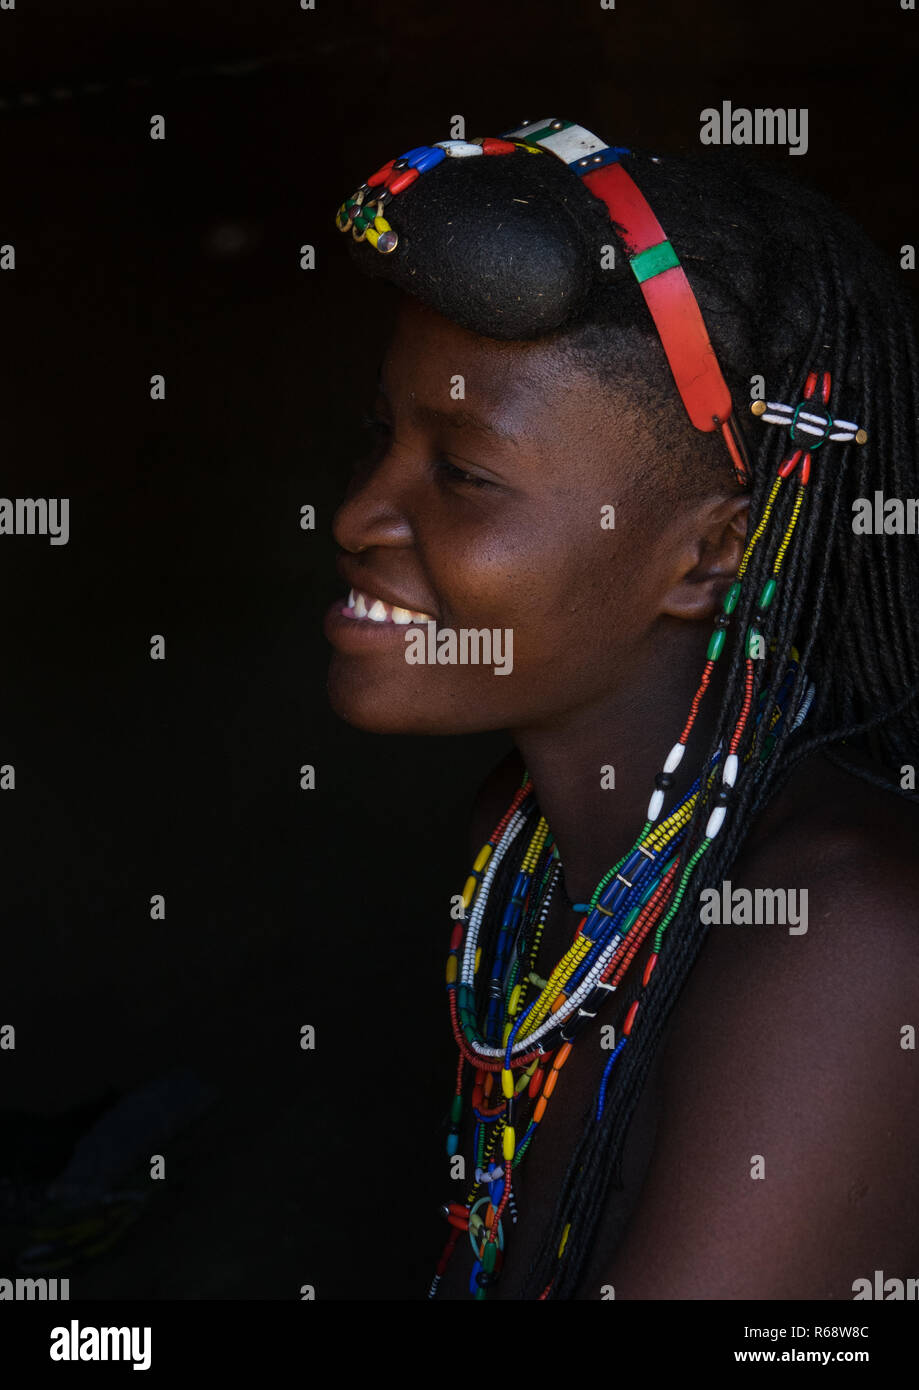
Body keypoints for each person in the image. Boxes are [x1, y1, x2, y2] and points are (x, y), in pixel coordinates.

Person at [323, 118, 919, 1300]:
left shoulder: (842, 945)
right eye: (383, 439)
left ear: (710, 555)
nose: (355, 517)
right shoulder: (537, 851)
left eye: (463, 475)